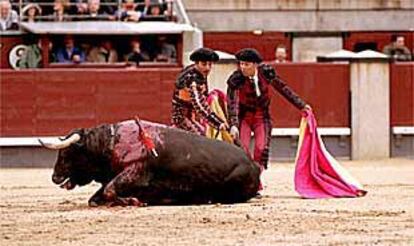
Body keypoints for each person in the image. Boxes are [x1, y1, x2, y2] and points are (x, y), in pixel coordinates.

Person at [226, 48, 311, 176]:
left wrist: (301, 105)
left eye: (246, 64)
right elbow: (232, 103)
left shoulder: (266, 73)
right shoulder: (236, 79)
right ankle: (248, 179)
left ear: (255, 64)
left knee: (261, 149)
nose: (242, 67)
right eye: (241, 64)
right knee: (242, 149)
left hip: (262, 117)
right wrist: (233, 124)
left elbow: (283, 88)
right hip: (244, 117)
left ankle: (256, 181)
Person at [171, 47, 227, 135]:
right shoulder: (193, 80)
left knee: (203, 135)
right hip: (181, 119)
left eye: (210, 64)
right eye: (204, 64)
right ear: (196, 63)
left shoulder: (198, 74)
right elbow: (200, 105)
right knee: (200, 140)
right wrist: (218, 123)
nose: (207, 68)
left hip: (189, 118)